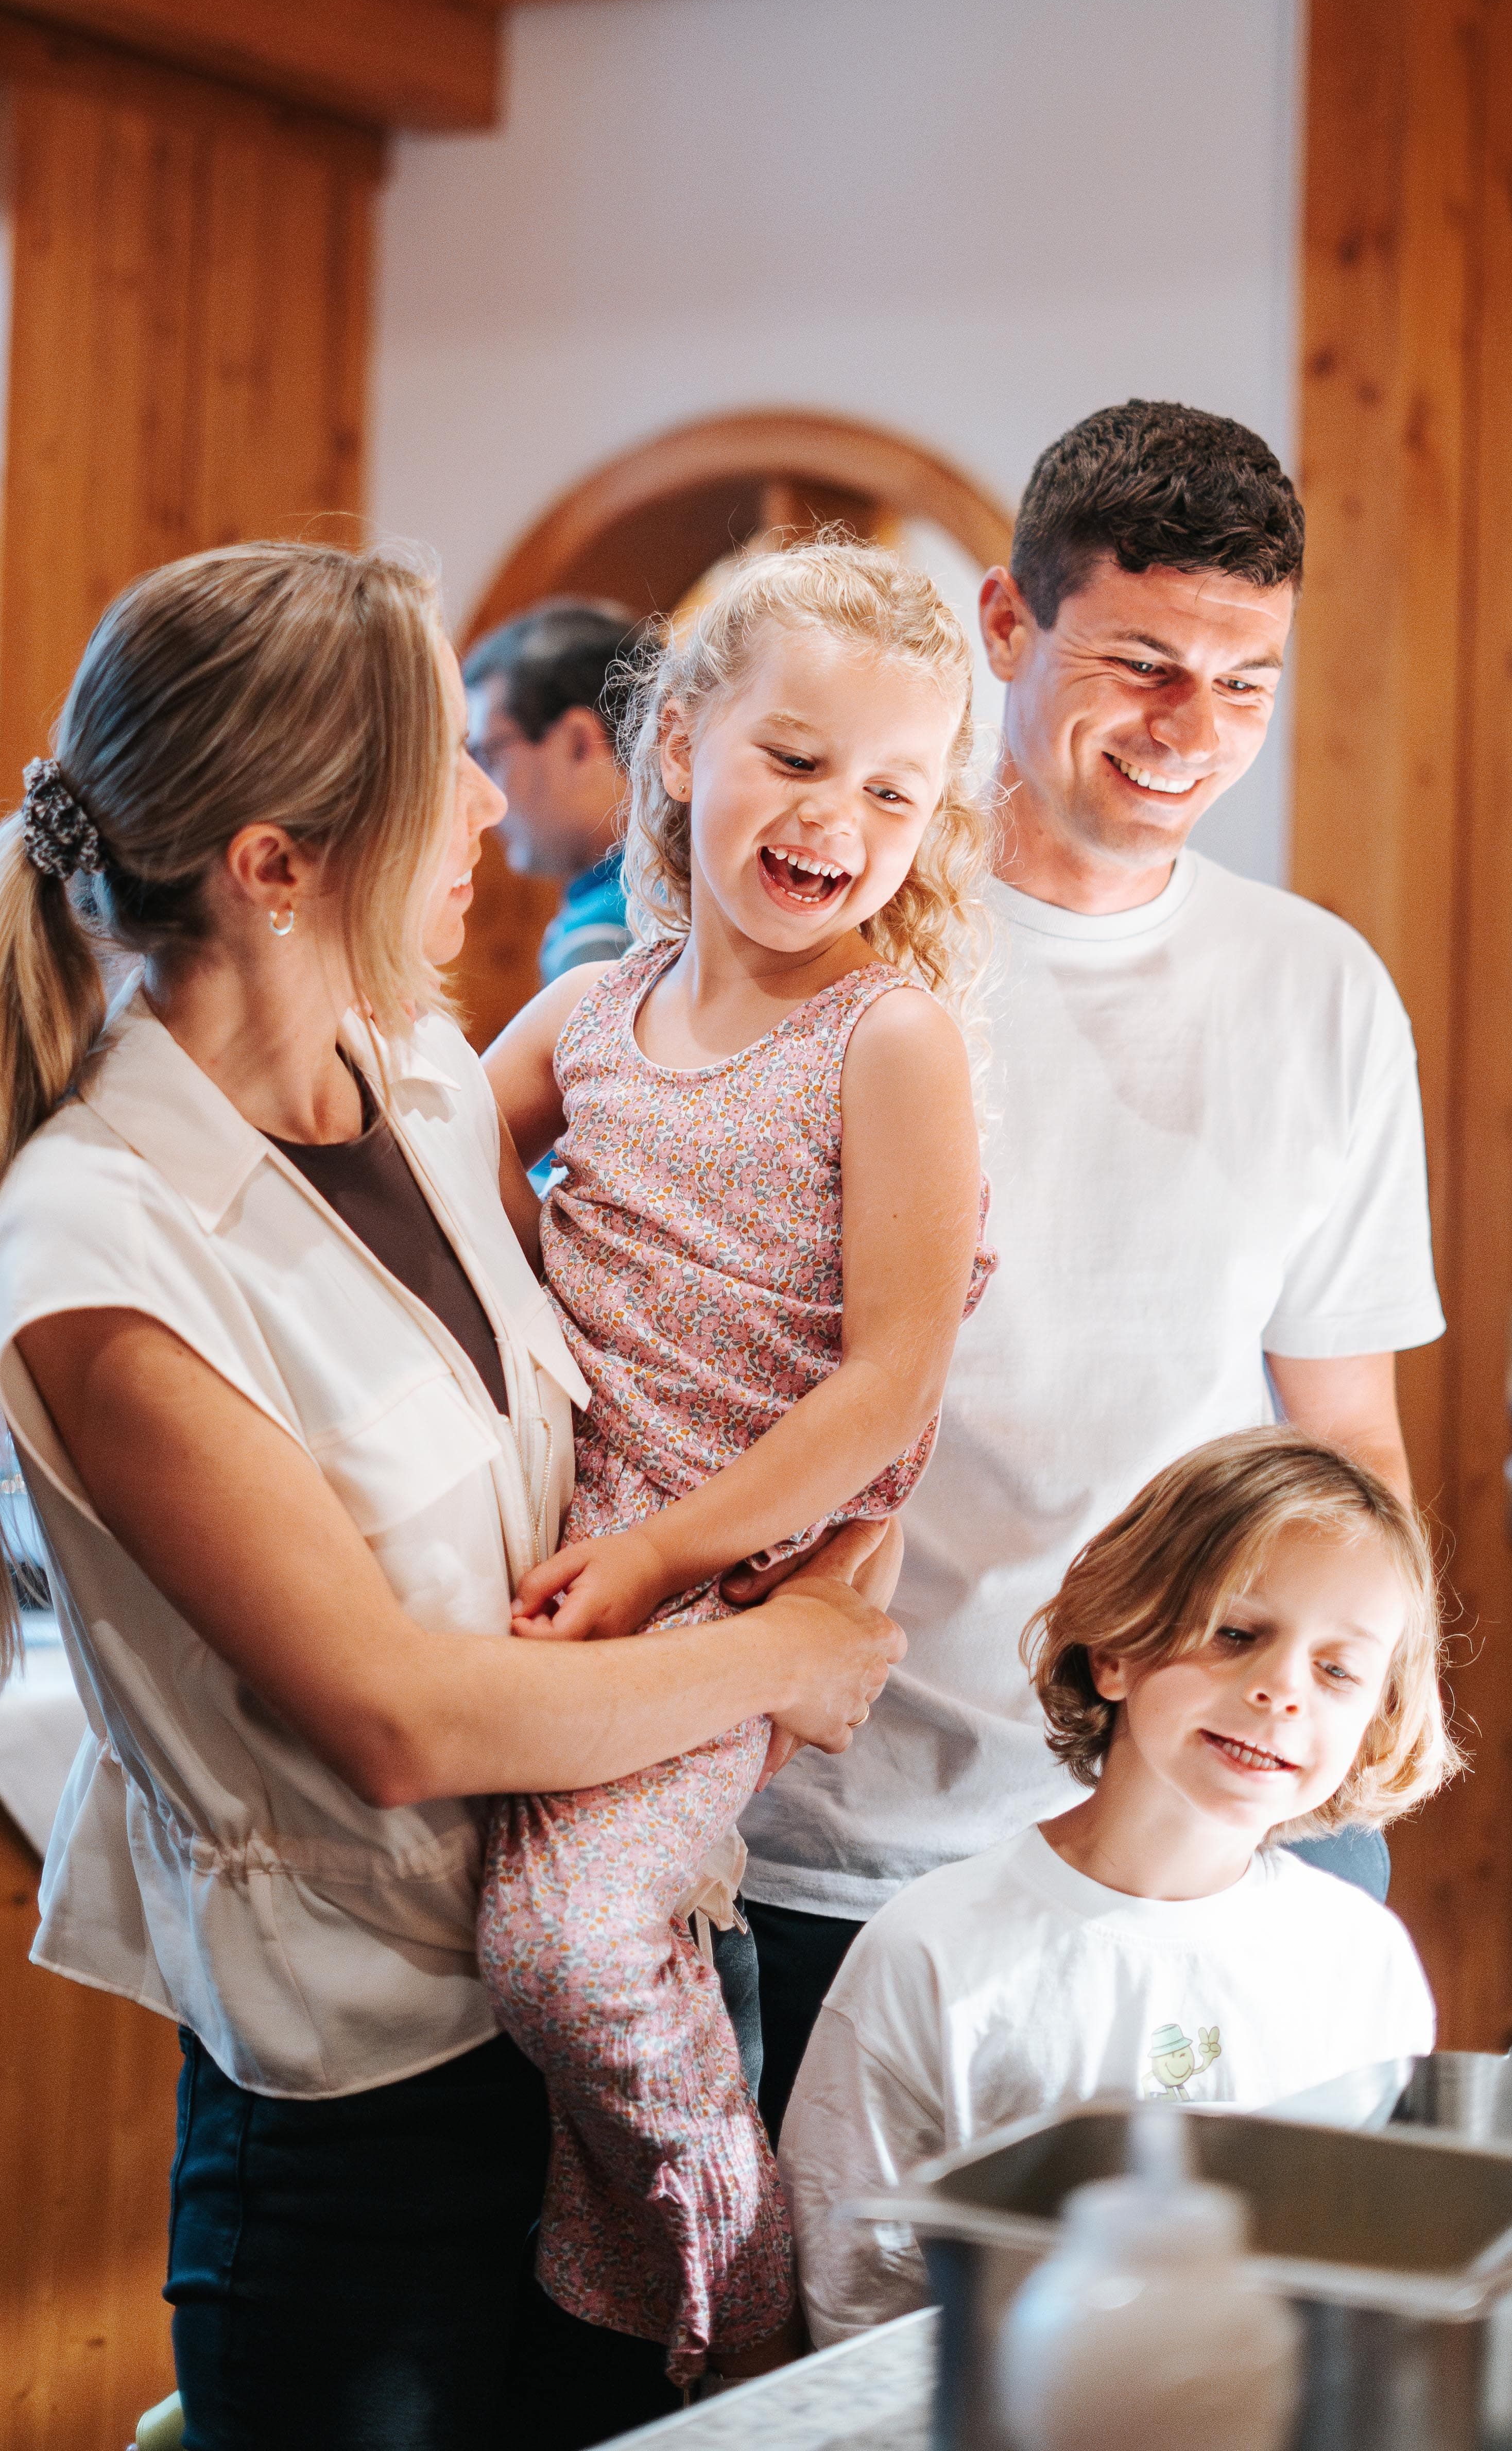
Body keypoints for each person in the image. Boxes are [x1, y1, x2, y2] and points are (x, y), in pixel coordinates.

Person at [0, 540, 904, 2451]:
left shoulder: (422, 1081)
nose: (492, 807)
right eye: (446, 771)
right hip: (368, 2118)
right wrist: (783, 1654)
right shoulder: (103, 1241)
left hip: (612, 2001)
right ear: (275, 863)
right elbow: (396, 1717)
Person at [741, 401, 1446, 2132]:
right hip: (853, 1822)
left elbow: (1346, 1432)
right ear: (1007, 625)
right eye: (1142, 666)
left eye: (1245, 682)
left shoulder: (1323, 992)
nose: (1191, 731)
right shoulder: (837, 951)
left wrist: (1373, 1707)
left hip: (1212, 1821)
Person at [479, 540, 993, 2389]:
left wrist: (661, 1555)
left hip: (725, 1577)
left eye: (892, 791)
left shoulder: (889, 1038)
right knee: (504, 1925)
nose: (836, 818)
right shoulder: (586, 1010)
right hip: (551, 1544)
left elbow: (890, 1378)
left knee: (561, 1932)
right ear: (682, 745)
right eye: (795, 758)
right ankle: (619, 2314)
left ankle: (750, 2331)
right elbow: (418, 1168)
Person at [780, 1432, 1450, 2346]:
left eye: (1338, 1670)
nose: (1283, 1691)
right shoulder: (930, 1951)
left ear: (1376, 1721)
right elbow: (857, 2295)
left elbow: (1376, 2264)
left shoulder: (1361, 1959)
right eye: (1237, 1634)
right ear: (1117, 1653)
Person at [463, 598, 643, 981]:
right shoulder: (714, 890)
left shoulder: (600, 942)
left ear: (579, 743)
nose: (482, 799)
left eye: (489, 756)